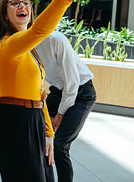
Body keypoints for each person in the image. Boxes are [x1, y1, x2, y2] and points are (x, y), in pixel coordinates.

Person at [0, 0, 83, 181]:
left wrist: (48, 133)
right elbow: (39, 30)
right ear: (5, 15)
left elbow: (40, 96)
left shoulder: (30, 52)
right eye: (14, 3)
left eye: (25, 3)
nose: (22, 5)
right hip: (16, 123)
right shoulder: (7, 45)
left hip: (35, 120)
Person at [35, 31, 97, 182]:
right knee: (39, 138)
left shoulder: (55, 39)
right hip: (58, 90)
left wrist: (59, 115)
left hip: (81, 92)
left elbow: (72, 83)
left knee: (60, 145)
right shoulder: (23, 44)